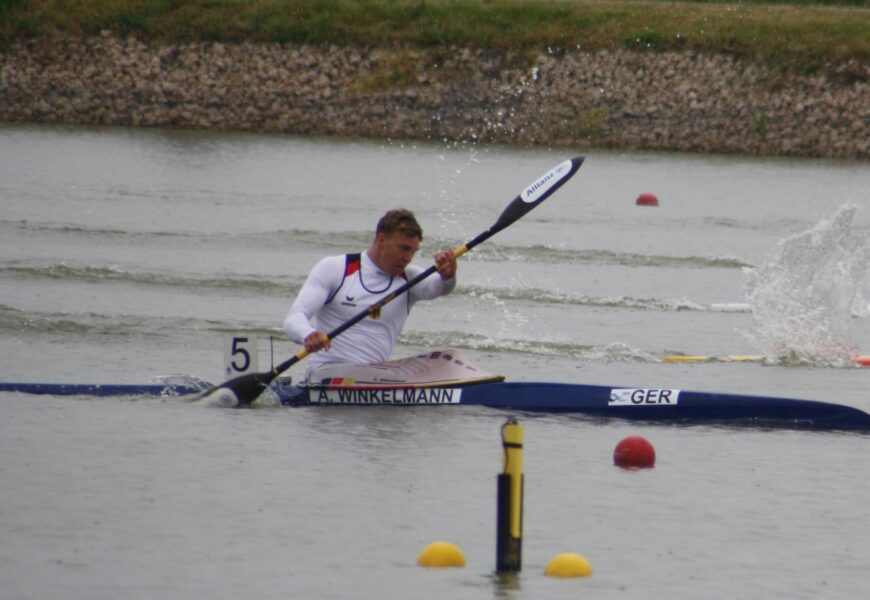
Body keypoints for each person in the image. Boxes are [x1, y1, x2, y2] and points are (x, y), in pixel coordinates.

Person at [283, 208, 457, 384]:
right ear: (382, 240)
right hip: (326, 373)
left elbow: (439, 287)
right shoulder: (336, 269)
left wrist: (447, 275)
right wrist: (308, 335)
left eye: (413, 251)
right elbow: (294, 318)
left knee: (446, 358)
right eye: (403, 248)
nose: (408, 258)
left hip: (375, 377)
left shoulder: (410, 278)